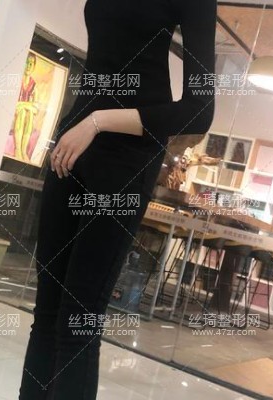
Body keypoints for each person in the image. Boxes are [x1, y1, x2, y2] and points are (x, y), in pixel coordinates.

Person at [18, 0, 217, 399]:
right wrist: (82, 124)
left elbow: (200, 110)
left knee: (78, 319)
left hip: (125, 156)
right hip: (72, 147)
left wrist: (98, 121)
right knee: (48, 311)